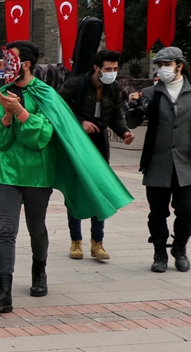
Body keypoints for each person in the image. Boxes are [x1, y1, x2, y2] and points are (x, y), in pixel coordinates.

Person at [0, 41, 133, 313]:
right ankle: (3, 290)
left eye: (11, 60)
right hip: (6, 172)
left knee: (36, 227)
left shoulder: (47, 94)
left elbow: (43, 136)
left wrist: (21, 112)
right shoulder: (1, 94)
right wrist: (6, 115)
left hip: (38, 174)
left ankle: (39, 271)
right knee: (7, 231)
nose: (6, 65)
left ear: (26, 64)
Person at [126, 46, 191, 273]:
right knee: (157, 212)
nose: (162, 69)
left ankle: (180, 248)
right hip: (157, 161)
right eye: (160, 65)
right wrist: (134, 106)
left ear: (179, 66)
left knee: (188, 210)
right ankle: (160, 251)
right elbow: (132, 123)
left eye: (167, 65)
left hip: (186, 161)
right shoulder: (151, 93)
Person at [57, 49, 134, 260]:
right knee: (76, 192)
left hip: (100, 143)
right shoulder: (77, 84)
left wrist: (124, 131)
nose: (112, 73)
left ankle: (97, 242)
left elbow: (116, 115)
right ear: (96, 68)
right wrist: (80, 121)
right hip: (77, 144)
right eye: (108, 69)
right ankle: (76, 241)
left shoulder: (114, 88)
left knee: (99, 192)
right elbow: (57, 109)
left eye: (115, 69)